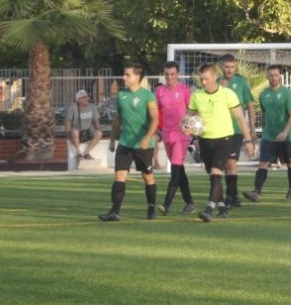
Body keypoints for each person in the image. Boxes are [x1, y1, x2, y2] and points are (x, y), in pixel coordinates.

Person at [188, 64, 255, 222]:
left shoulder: (227, 94)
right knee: (213, 177)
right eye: (201, 79)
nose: (203, 82)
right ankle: (222, 207)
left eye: (206, 79)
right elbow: (189, 116)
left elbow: (240, 118)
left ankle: (209, 209)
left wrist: (248, 141)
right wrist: (186, 125)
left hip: (224, 140)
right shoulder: (197, 96)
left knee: (216, 173)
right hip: (205, 141)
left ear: (214, 77)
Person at [98, 64, 161, 222]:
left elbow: (155, 119)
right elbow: (118, 119)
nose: (123, 77)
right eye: (124, 74)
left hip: (143, 145)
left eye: (127, 75)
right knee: (119, 176)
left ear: (137, 77)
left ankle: (151, 208)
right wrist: (112, 140)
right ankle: (114, 211)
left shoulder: (148, 96)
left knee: (148, 177)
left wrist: (147, 138)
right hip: (125, 143)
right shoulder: (121, 96)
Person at [244, 65, 291, 204]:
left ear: (280, 76)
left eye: (276, 75)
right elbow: (264, 114)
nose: (274, 78)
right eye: (271, 75)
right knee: (263, 163)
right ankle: (256, 191)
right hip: (269, 136)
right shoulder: (264, 95)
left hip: (287, 136)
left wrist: (285, 132)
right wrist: (261, 131)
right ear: (267, 77)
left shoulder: (287, 94)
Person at [156, 62, 195, 215]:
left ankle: (166, 205)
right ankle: (189, 203)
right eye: (167, 74)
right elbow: (155, 113)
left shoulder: (184, 90)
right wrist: (156, 130)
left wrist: (191, 128)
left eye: (172, 74)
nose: (169, 77)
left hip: (181, 136)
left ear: (177, 74)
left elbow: (193, 111)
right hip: (167, 135)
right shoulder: (159, 91)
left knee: (175, 170)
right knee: (179, 171)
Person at [219, 54, 255, 209]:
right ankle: (232, 196)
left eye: (232, 67)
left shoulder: (241, 83)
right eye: (227, 67)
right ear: (221, 67)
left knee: (231, 162)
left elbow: (250, 106)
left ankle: (230, 196)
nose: (229, 70)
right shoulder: (217, 83)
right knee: (224, 164)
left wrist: (252, 129)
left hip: (236, 130)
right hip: (220, 130)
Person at [65, 89, 102, 167]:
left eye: (87, 97)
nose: (87, 99)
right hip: (77, 131)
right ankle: (78, 153)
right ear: (78, 99)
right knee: (74, 132)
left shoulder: (92, 107)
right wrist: (68, 135)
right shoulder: (73, 107)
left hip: (89, 131)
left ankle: (86, 153)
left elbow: (96, 121)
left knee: (99, 133)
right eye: (84, 97)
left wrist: (98, 129)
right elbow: (68, 122)